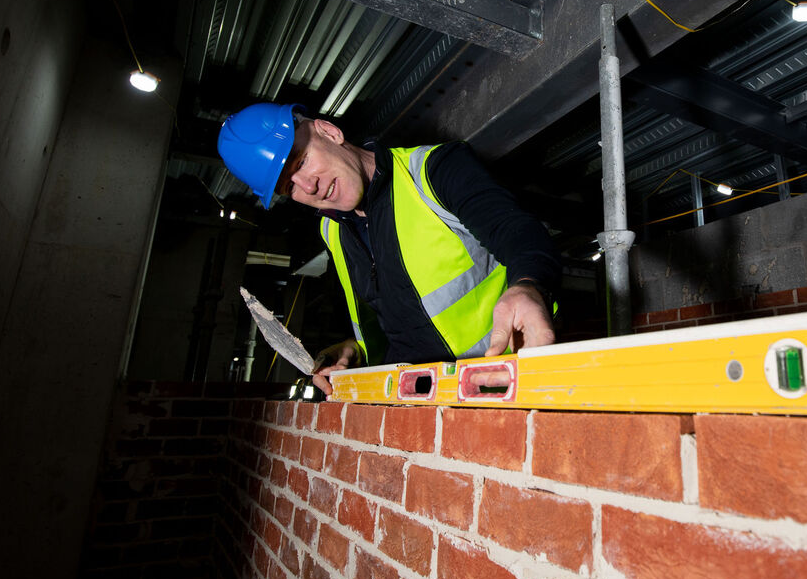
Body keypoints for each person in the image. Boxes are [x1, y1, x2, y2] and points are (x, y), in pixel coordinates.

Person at [217, 103, 559, 395]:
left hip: (499, 387)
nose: (309, 187)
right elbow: (390, 314)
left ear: (328, 132)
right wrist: (356, 350)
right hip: (414, 405)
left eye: (301, 162)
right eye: (287, 186)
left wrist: (528, 283)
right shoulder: (331, 230)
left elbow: (516, 231)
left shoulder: (433, 171)